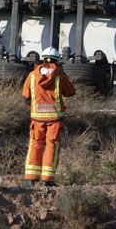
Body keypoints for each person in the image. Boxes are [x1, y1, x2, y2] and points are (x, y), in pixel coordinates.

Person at [22, 47, 76, 187]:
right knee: (52, 146)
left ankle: (31, 178)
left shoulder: (33, 75)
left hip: (37, 119)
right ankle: (48, 180)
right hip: (55, 119)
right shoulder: (59, 75)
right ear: (57, 61)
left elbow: (26, 95)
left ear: (43, 58)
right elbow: (71, 92)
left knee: (35, 144)